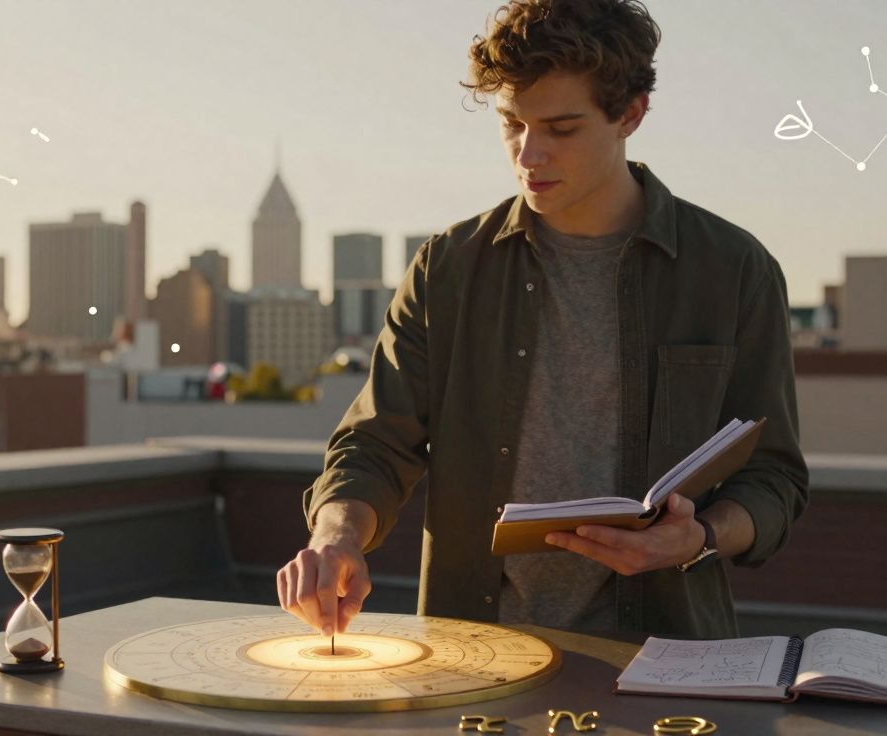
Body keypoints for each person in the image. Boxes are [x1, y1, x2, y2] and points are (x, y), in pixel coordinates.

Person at [277, 0, 808, 641]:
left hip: (664, 656)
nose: (529, 155)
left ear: (630, 114)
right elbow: (375, 444)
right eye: (512, 126)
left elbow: (774, 478)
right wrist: (334, 537)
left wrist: (697, 537)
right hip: (473, 657)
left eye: (561, 129)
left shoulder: (733, 270)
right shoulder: (446, 269)